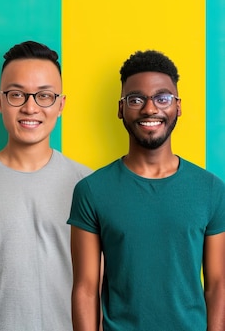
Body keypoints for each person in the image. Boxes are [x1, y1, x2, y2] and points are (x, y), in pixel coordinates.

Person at [69, 50, 225, 330]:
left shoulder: (211, 189)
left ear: (178, 106)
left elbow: (217, 285)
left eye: (162, 98)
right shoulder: (91, 191)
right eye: (136, 99)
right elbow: (85, 289)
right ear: (120, 109)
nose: (150, 109)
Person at [0, 41, 92, 330]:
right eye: (17, 95)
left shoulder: (87, 185)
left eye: (44, 96)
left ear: (61, 105)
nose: (30, 107)